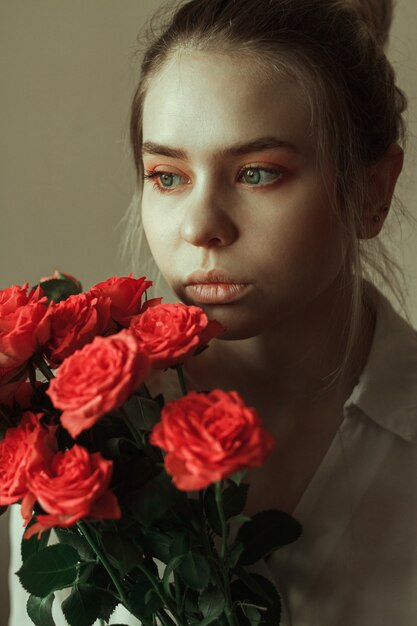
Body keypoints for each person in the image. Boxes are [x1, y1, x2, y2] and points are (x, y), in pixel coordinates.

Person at [9, 0, 417, 624]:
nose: (200, 226)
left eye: (256, 172)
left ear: (372, 191)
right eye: (167, 177)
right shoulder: (56, 432)